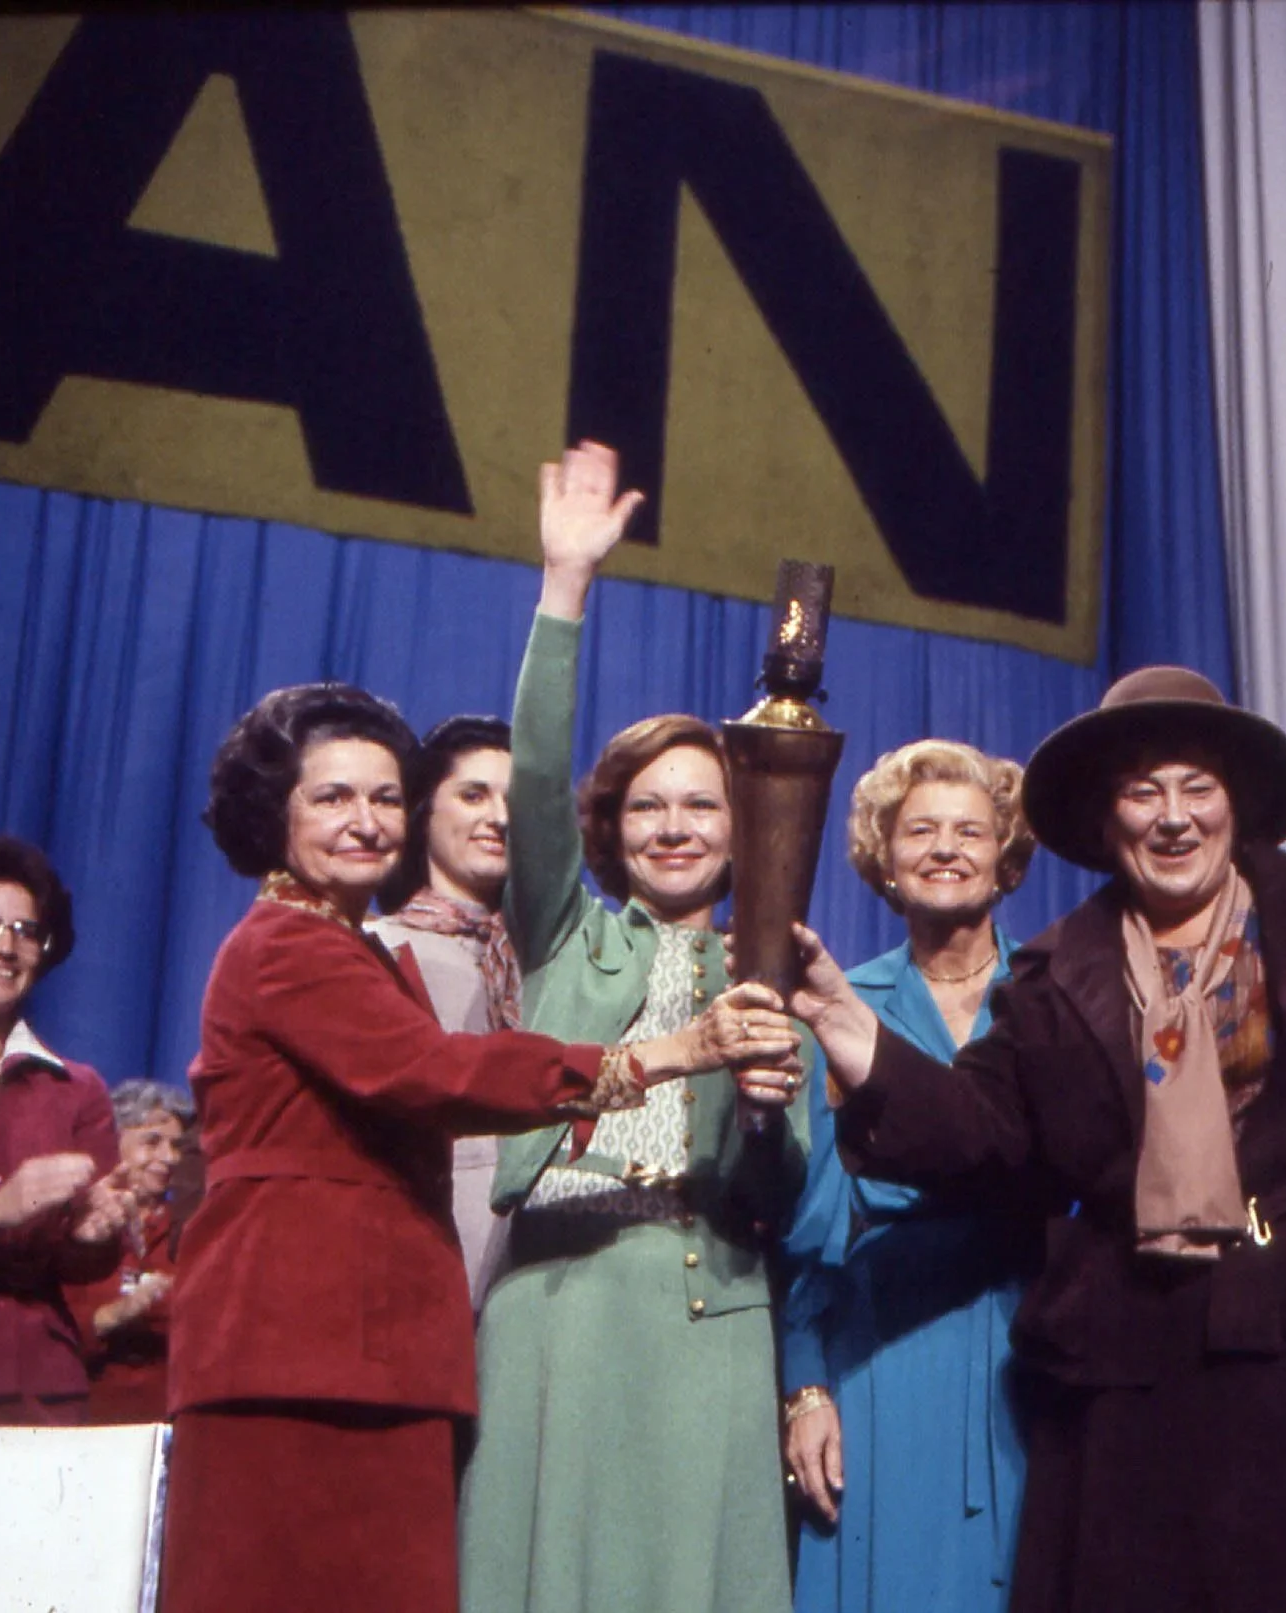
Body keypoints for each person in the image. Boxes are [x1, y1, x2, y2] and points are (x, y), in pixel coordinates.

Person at [770, 666, 1286, 1613]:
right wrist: (850, 1029)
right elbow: (982, 1129)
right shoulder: (1054, 979)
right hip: (1143, 1362)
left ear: (1235, 804)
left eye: (1196, 787)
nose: (1173, 817)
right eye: (1142, 791)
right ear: (1106, 816)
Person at [160, 682, 791, 1613]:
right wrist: (667, 1053)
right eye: (332, 797)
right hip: (295, 1343)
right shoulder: (285, 944)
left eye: (385, 797)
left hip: (376, 1347)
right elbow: (435, 1073)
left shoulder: (356, 950)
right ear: (274, 811)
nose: (366, 820)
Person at [459, 441, 810, 1613]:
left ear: (743, 826)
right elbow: (534, 776)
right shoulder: (568, 936)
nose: (673, 826)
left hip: (708, 1312)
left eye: (702, 803)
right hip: (561, 1304)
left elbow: (784, 1188)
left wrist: (763, 1113)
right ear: (608, 830)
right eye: (646, 805)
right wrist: (565, 586)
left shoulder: (776, 972)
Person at [781, 740, 1039, 1613]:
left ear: (1006, 857)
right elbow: (808, 1230)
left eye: (970, 830)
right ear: (883, 859)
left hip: (1026, 1349)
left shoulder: (1052, 996)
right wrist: (805, 1385)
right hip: (884, 1358)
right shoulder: (837, 1004)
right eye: (920, 830)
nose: (945, 848)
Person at [370, 713, 521, 1304]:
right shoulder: (374, 948)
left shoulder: (559, 957)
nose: (499, 817)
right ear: (423, 813)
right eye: (473, 795)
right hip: (420, 1250)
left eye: (514, 799)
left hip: (543, 1260)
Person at [0, 833, 127, 1426]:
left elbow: (88, 1269)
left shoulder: (78, 1089)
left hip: (41, 1391)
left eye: (25, 931)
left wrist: (92, 1240)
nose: (4, 946)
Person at [68, 1079, 193, 1424]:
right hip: (87, 1418)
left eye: (176, 1146)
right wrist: (114, 1315)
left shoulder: (192, 1231)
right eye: (152, 1142)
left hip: (167, 1419)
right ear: (114, 1142)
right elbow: (49, 1335)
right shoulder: (77, 1227)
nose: (169, 1158)